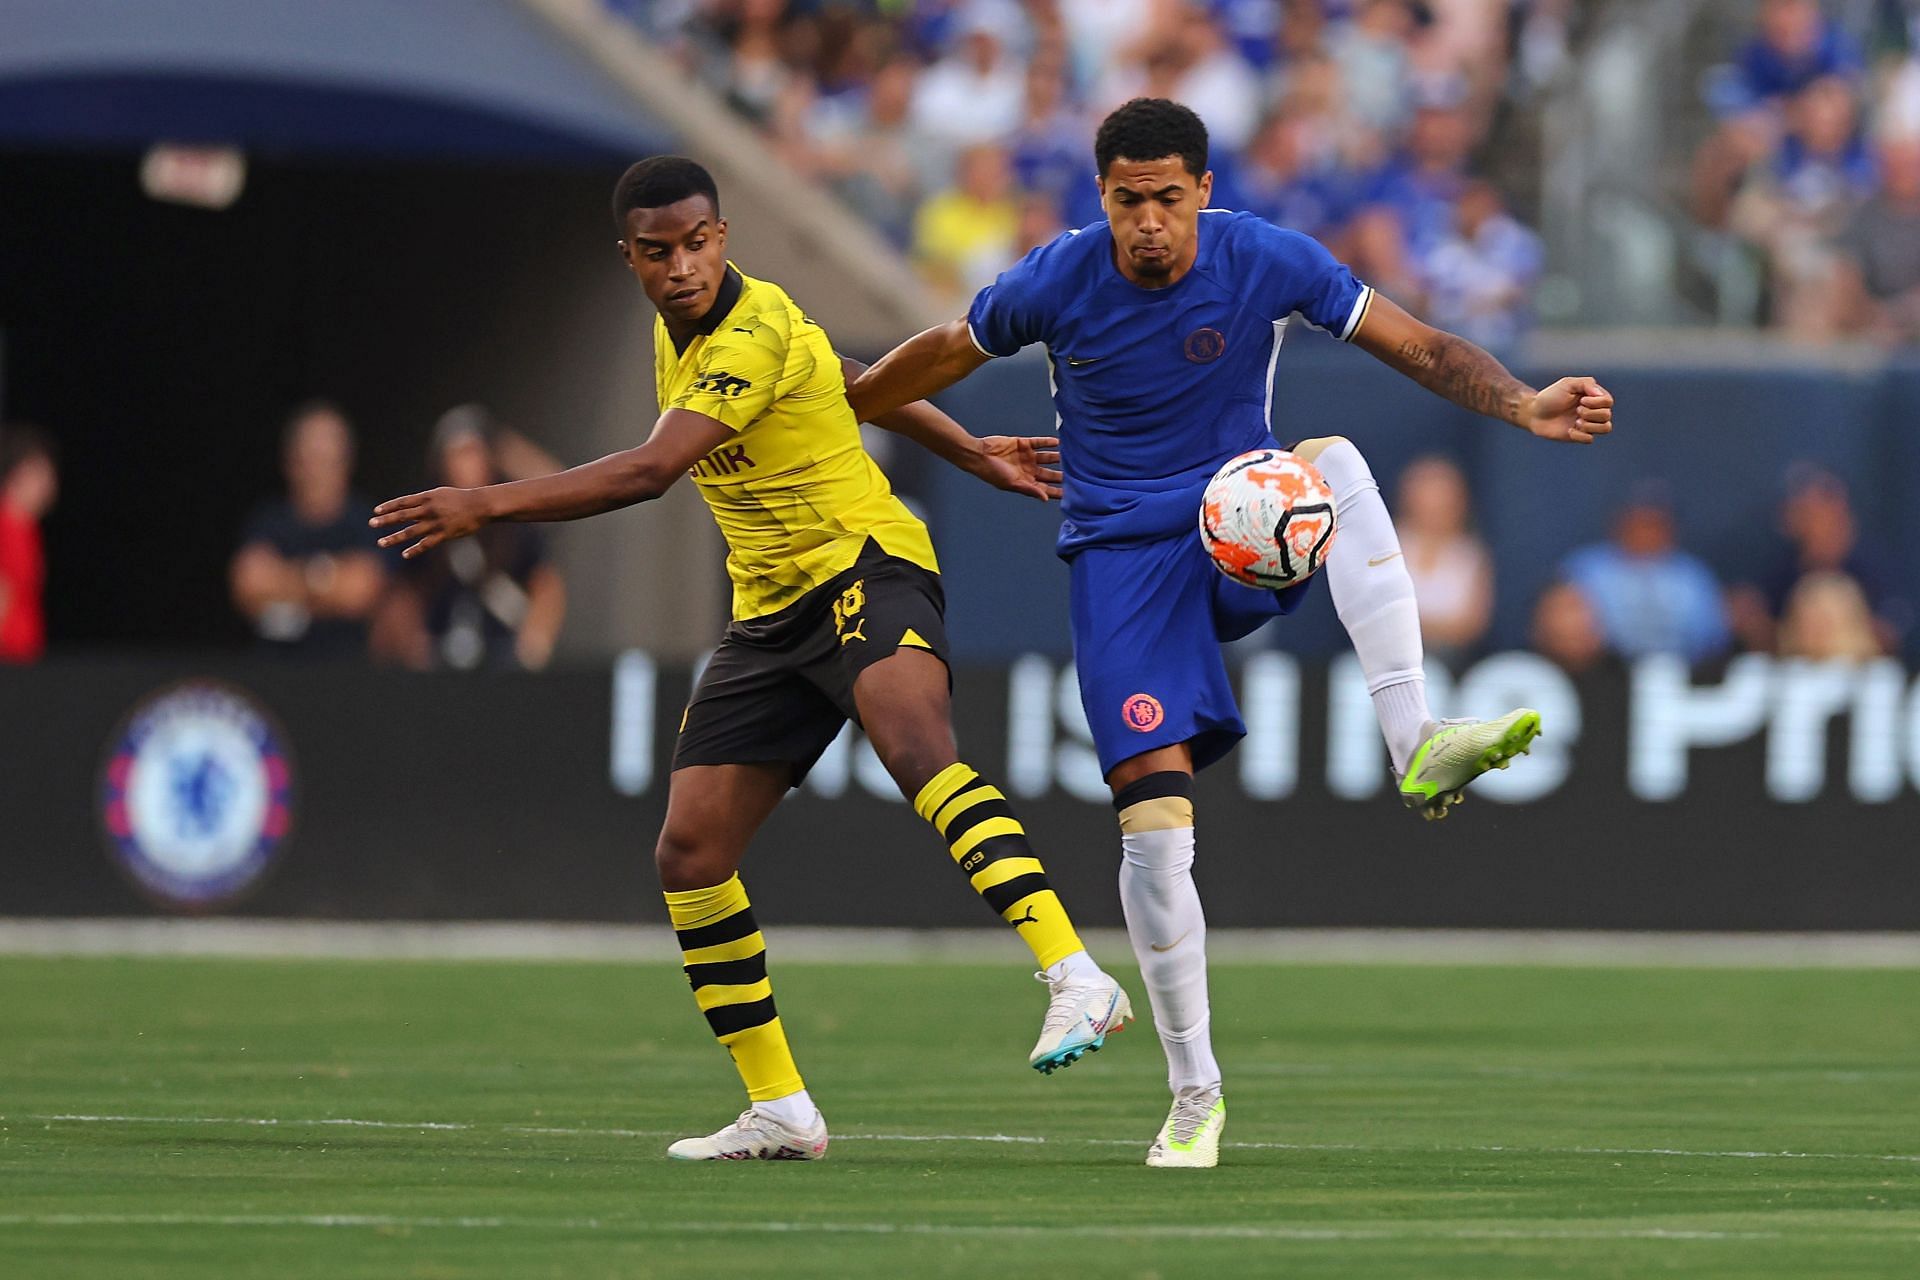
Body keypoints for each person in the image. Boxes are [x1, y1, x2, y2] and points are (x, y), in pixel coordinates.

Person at [847, 98, 1613, 1168]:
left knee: (1334, 459)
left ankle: (1416, 735)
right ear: (1101, 197)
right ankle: (1194, 1094)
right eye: (1127, 201)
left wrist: (1525, 403)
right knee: (1156, 834)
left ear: (1204, 191)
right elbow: (940, 350)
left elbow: (1422, 344)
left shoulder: (1267, 259)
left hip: (1237, 521)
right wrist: (846, 405)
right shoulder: (1056, 279)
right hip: (1119, 561)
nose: (1148, 223)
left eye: (1167, 198)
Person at [370, 157, 1129, 1163]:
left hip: (865, 562)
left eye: (697, 243)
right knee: (689, 851)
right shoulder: (680, 330)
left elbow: (648, 472)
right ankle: (781, 1106)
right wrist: (974, 448)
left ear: (723, 234)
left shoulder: (751, 325)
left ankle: (1074, 971)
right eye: (658, 252)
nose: (682, 266)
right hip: (771, 610)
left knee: (913, 742)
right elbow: (853, 384)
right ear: (630, 257)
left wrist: (486, 497)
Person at [374, 407, 567, 671]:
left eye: (472, 453)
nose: (464, 465)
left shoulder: (513, 524)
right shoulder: (424, 520)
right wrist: (412, 643)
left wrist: (534, 643)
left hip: (504, 655)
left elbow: (546, 583)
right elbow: (404, 589)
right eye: (455, 455)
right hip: (439, 657)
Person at [230, 402, 388, 660]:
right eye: (309, 460)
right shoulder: (268, 521)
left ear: (346, 463)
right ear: (290, 463)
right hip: (274, 668)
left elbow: (360, 592)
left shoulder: (367, 522)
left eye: (328, 461)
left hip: (345, 672)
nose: (317, 473)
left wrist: (283, 580)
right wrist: (326, 577)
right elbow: (249, 586)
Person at [1560, 484, 1730, 665]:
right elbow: (1563, 627)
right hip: (1603, 671)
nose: (1646, 533)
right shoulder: (1587, 569)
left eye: (1656, 525)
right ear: (1619, 525)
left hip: (1683, 672)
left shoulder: (1691, 574)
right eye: (1639, 523)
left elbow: (1711, 635)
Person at [1392, 454, 1493, 666]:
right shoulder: (1389, 545)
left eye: (1443, 499)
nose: (1434, 507)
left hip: (1452, 663)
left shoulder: (1469, 555)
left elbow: (1471, 625)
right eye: (1428, 498)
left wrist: (1411, 622)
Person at [0, 424, 58, 664]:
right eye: (41, 473)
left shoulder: (27, 529)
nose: (49, 485)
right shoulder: (7, 526)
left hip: (23, 658)